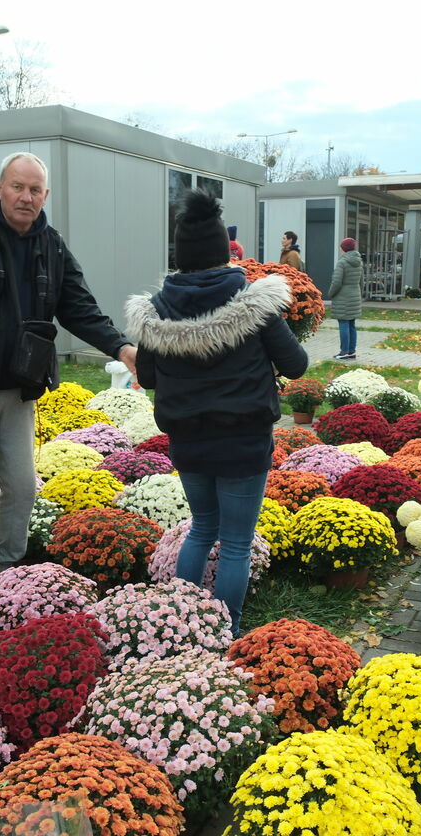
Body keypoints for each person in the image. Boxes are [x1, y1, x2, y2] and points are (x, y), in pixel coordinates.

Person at [0, 152, 136, 576]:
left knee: (22, 484)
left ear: (45, 195)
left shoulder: (50, 245)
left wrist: (122, 348)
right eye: (18, 186)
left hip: (21, 384)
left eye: (35, 190)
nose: (26, 197)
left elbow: (79, 308)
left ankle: (11, 561)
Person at [127, 188, 307, 636]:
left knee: (202, 529)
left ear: (180, 256)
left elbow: (147, 377)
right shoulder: (255, 303)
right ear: (223, 254)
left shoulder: (154, 314)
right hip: (244, 442)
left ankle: (187, 625)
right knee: (237, 545)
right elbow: (296, 365)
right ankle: (226, 633)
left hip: (188, 442)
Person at [328, 237, 363, 360]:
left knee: (343, 322)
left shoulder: (342, 262)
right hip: (355, 294)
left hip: (343, 297)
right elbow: (361, 281)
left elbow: (336, 282)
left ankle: (344, 352)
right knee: (351, 324)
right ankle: (351, 351)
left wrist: (330, 294)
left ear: (344, 248)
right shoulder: (358, 261)